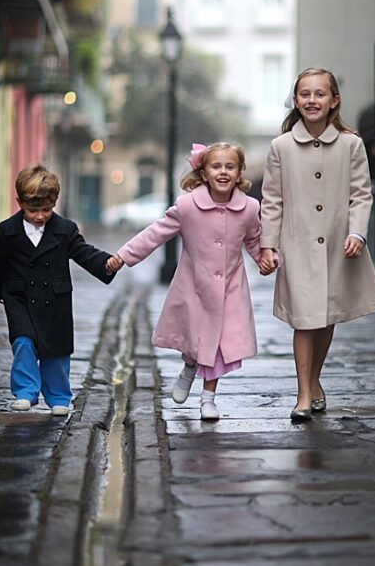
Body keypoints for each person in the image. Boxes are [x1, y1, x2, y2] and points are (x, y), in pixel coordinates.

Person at [259, 68, 375, 424]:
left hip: (336, 243)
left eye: (319, 94)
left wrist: (357, 233)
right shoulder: (280, 147)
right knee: (304, 318)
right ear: (295, 101)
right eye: (305, 94)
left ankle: (314, 380)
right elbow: (271, 200)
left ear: (334, 101)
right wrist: (268, 245)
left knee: (326, 317)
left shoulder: (351, 144)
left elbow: (361, 193)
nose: (312, 101)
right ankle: (302, 394)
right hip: (296, 243)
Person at [106, 142, 263, 423]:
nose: (223, 172)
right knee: (195, 340)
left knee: (217, 347)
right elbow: (155, 234)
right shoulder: (187, 206)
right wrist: (123, 256)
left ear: (239, 173)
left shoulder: (249, 208)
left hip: (230, 289)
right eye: (216, 166)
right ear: (203, 173)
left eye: (230, 166)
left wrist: (263, 257)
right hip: (194, 287)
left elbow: (253, 237)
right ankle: (189, 367)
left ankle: (207, 399)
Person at [0, 162, 116, 411]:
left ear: (55, 202)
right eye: (34, 210)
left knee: (56, 350)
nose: (40, 216)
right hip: (19, 296)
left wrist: (106, 264)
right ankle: (25, 391)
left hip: (55, 298)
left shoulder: (65, 230)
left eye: (46, 209)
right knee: (23, 342)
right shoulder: (8, 231)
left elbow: (83, 252)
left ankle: (58, 397)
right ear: (20, 202)